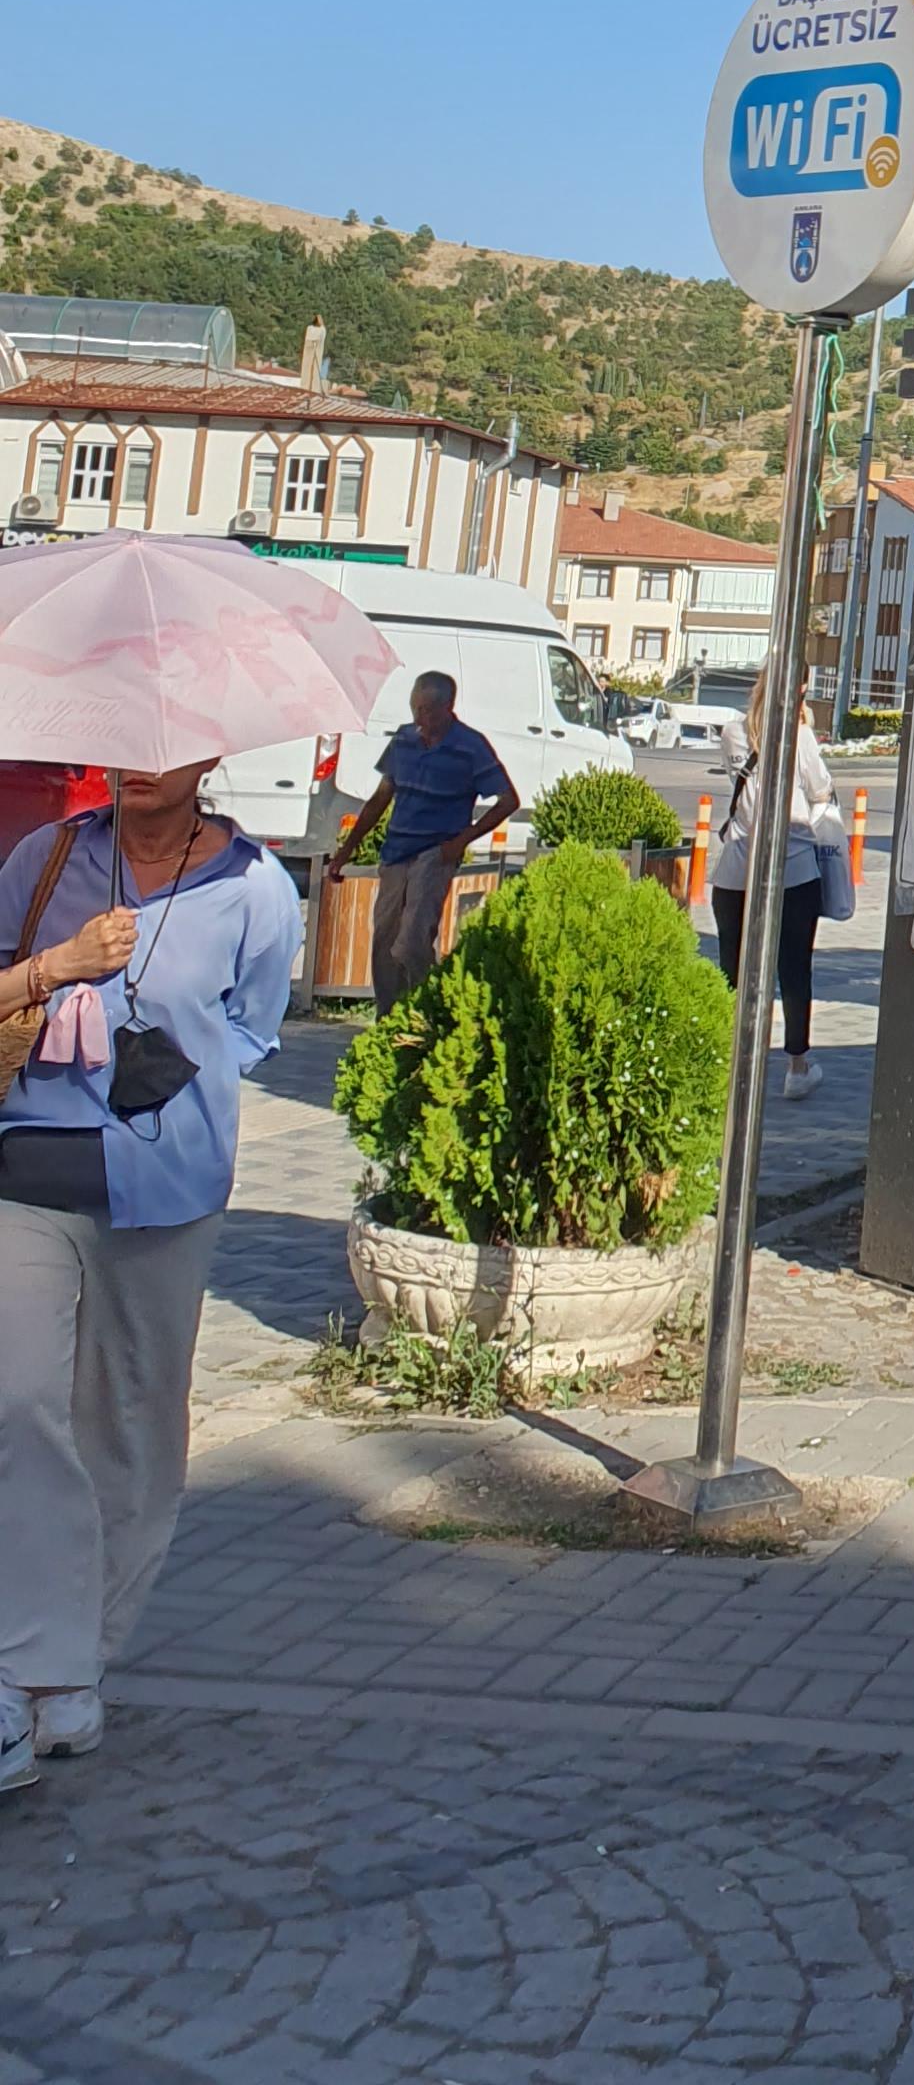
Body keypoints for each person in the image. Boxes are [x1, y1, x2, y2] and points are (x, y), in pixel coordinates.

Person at [0, 758, 303, 1799]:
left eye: (162, 747)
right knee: (17, 1404)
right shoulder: (46, 859)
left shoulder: (255, 888)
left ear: (208, 758)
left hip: (165, 1185)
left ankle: (76, 1666)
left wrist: (167, 1066)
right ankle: (29, 1661)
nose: (137, 764)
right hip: (23, 1168)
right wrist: (60, 968)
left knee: (130, 1422)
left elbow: (253, 1027)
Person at [334, 671, 516, 1011]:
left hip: (436, 851)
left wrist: (461, 841)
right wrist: (347, 848)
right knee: (385, 939)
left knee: (412, 940)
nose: (419, 718)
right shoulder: (404, 739)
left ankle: (426, 1008)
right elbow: (381, 797)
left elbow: (508, 800)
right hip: (396, 851)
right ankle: (389, 1017)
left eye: (427, 710)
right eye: (415, 708)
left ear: (448, 708)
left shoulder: (470, 746)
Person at [709, 685, 837, 1101]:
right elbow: (820, 789)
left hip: (736, 870)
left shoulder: (733, 733)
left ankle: (730, 1057)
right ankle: (797, 1066)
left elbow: (741, 787)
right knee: (794, 970)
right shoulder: (799, 736)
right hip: (793, 868)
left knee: (734, 970)